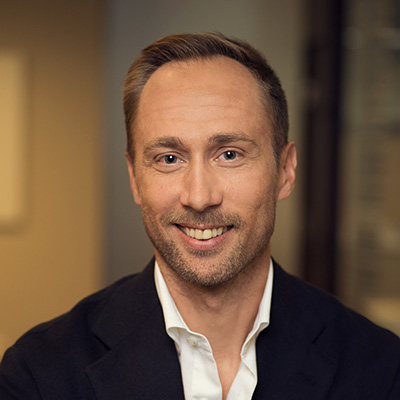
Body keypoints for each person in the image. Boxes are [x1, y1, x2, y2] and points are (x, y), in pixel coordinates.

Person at [0, 32, 399, 400]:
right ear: (135, 179)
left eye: (229, 154)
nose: (199, 197)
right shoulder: (37, 374)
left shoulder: (381, 370)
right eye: (169, 159)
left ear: (285, 170)